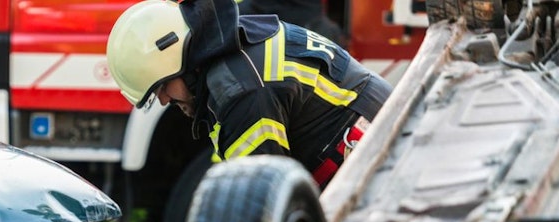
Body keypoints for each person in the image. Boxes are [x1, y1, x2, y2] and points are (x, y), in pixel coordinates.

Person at [106, 0, 392, 188]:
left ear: (181, 64)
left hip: (374, 160)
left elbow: (262, 200)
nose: (165, 100)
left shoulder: (240, 92)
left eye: (162, 87)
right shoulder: (235, 42)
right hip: (378, 135)